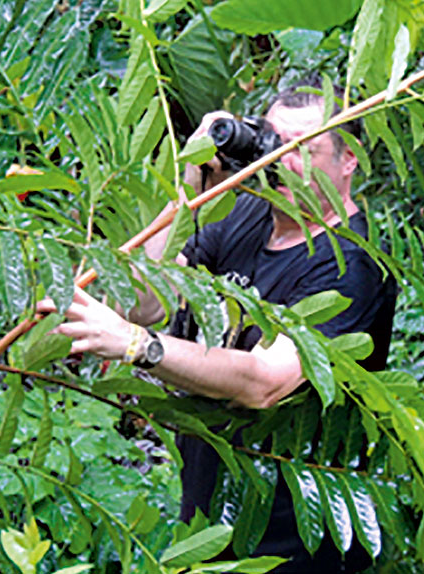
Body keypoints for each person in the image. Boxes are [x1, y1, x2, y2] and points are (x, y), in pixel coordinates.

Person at [42, 76, 397, 572]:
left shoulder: (350, 266)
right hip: (210, 520)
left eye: (305, 150)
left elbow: (263, 382)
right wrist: (189, 192)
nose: (283, 163)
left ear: (348, 160)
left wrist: (139, 348)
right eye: (275, 142)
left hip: (295, 539)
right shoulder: (245, 217)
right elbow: (144, 302)